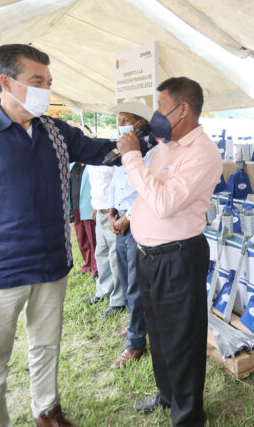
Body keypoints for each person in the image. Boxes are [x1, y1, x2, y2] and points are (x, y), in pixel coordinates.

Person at [0, 43, 116, 427]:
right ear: (7, 82)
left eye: (48, 82)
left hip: (51, 266)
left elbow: (101, 151)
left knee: (46, 346)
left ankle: (47, 411)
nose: (46, 89)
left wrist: (143, 144)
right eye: (37, 81)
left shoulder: (55, 131)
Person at [117, 77, 222, 426]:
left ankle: (188, 416)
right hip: (149, 256)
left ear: (183, 110)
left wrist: (131, 156)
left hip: (179, 257)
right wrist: (131, 217)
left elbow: (163, 203)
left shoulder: (202, 153)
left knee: (183, 340)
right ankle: (167, 396)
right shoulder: (165, 147)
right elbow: (148, 195)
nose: (156, 114)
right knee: (159, 335)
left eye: (162, 107)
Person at [107, 99, 154, 369]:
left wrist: (128, 217)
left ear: (139, 123)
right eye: (119, 121)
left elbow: (145, 191)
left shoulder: (149, 151)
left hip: (137, 222)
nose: (121, 126)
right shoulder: (122, 150)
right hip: (120, 220)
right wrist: (113, 212)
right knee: (125, 278)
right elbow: (118, 182)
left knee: (136, 284)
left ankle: (136, 342)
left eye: (125, 121)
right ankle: (134, 325)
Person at [86, 164, 126, 317]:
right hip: (99, 211)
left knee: (115, 257)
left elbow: (118, 184)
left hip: (113, 213)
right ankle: (103, 290)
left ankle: (118, 300)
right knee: (101, 253)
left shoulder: (109, 157)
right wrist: (96, 205)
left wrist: (112, 211)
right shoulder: (89, 159)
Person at [69, 162, 97, 276]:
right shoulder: (72, 166)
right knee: (82, 239)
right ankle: (88, 264)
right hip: (76, 206)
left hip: (88, 207)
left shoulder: (91, 166)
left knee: (92, 239)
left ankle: (96, 268)